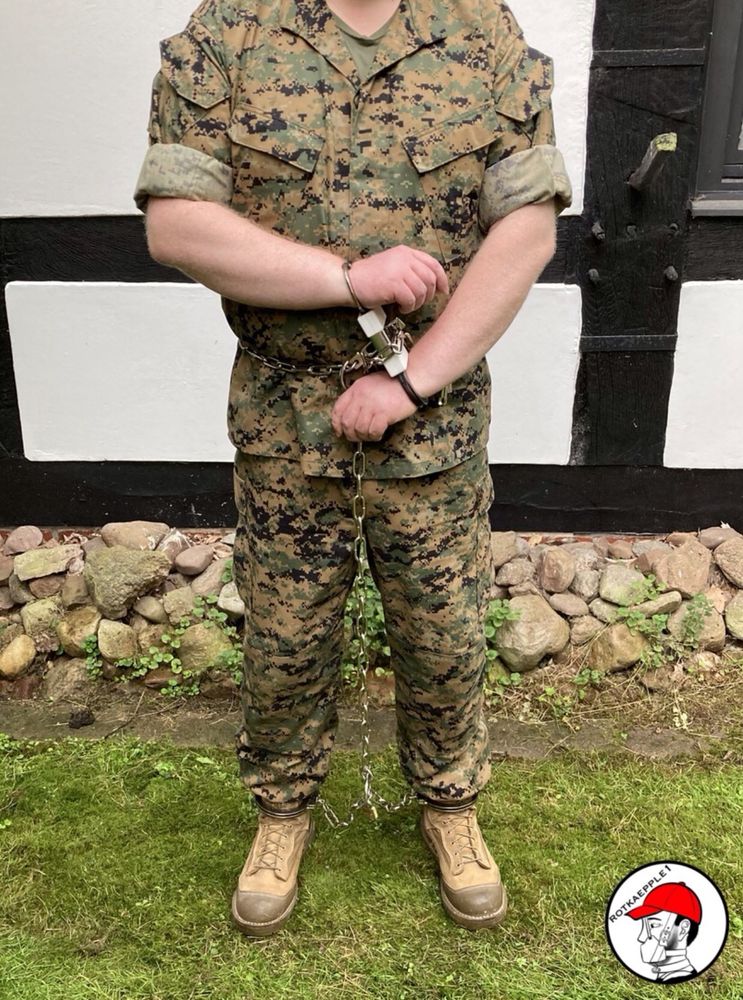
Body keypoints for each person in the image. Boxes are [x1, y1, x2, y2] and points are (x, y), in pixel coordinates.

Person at [134, 0, 573, 937]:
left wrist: (410, 382)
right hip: (284, 418)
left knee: (442, 635)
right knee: (285, 637)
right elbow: (177, 225)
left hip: (435, 419)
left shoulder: (481, 33)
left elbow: (526, 232)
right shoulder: (229, 34)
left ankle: (450, 803)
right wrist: (345, 279)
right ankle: (281, 811)